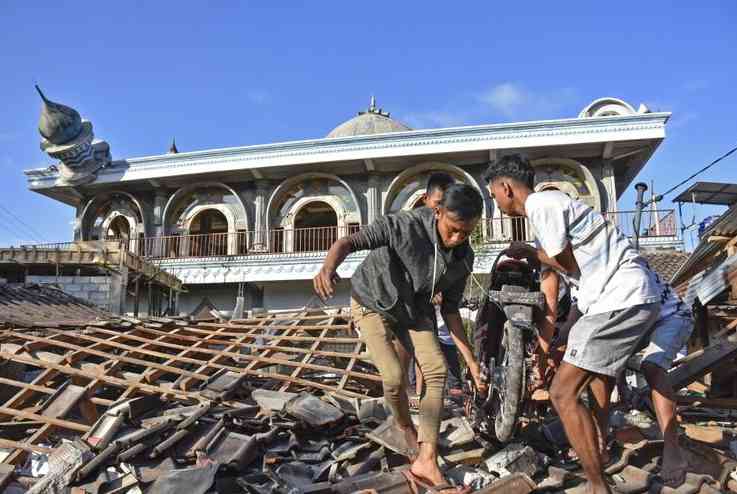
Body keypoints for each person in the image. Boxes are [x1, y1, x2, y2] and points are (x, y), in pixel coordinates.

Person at [483, 154, 661, 494]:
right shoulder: (554, 207)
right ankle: (599, 450)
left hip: (620, 296)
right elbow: (572, 276)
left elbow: (565, 262)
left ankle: (597, 485)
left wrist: (527, 252)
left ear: (506, 187)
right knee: (589, 377)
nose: (496, 202)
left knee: (562, 393)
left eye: (494, 194)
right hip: (620, 297)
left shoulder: (541, 204)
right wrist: (555, 339)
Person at [313, 183, 485, 493]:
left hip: (414, 310)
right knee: (393, 377)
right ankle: (405, 427)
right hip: (372, 301)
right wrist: (328, 268)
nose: (457, 238)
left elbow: (450, 311)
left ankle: (427, 459)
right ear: (438, 212)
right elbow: (348, 242)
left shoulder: (463, 257)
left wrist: (470, 361)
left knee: (436, 370)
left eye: (466, 233)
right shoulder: (401, 226)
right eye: (453, 229)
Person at [409, 173, 465, 399]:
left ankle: (447, 394)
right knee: (418, 357)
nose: (440, 211)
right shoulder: (413, 229)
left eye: (446, 205)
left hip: (442, 327)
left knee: (444, 361)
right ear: (425, 200)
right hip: (416, 312)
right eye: (436, 204)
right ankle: (415, 395)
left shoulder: (454, 237)